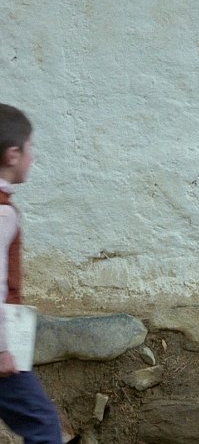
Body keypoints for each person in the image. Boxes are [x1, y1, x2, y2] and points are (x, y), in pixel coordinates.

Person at [0, 104, 63, 443]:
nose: (33, 156)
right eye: (30, 147)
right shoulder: (2, 213)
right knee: (42, 424)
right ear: (13, 155)